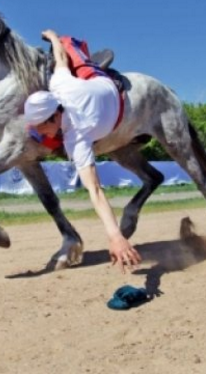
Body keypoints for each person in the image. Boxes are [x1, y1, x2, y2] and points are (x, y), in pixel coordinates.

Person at [24, 29, 142, 273]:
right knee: (67, 48)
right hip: (95, 81)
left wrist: (115, 236)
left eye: (40, 128)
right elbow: (61, 58)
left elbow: (95, 191)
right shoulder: (59, 85)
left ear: (54, 117)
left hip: (112, 102)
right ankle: (67, 39)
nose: (38, 134)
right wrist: (55, 38)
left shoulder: (76, 138)